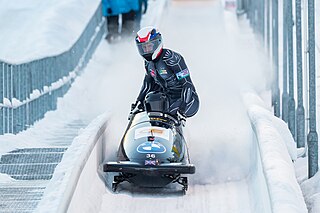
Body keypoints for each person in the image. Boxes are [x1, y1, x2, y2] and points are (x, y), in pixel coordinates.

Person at [132, 26, 199, 119]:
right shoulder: (148, 63)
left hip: (188, 101)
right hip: (166, 98)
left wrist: (183, 107)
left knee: (163, 112)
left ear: (157, 43)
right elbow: (147, 85)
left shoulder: (172, 58)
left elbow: (187, 84)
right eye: (144, 47)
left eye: (149, 46)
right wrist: (138, 103)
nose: (147, 50)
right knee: (150, 105)